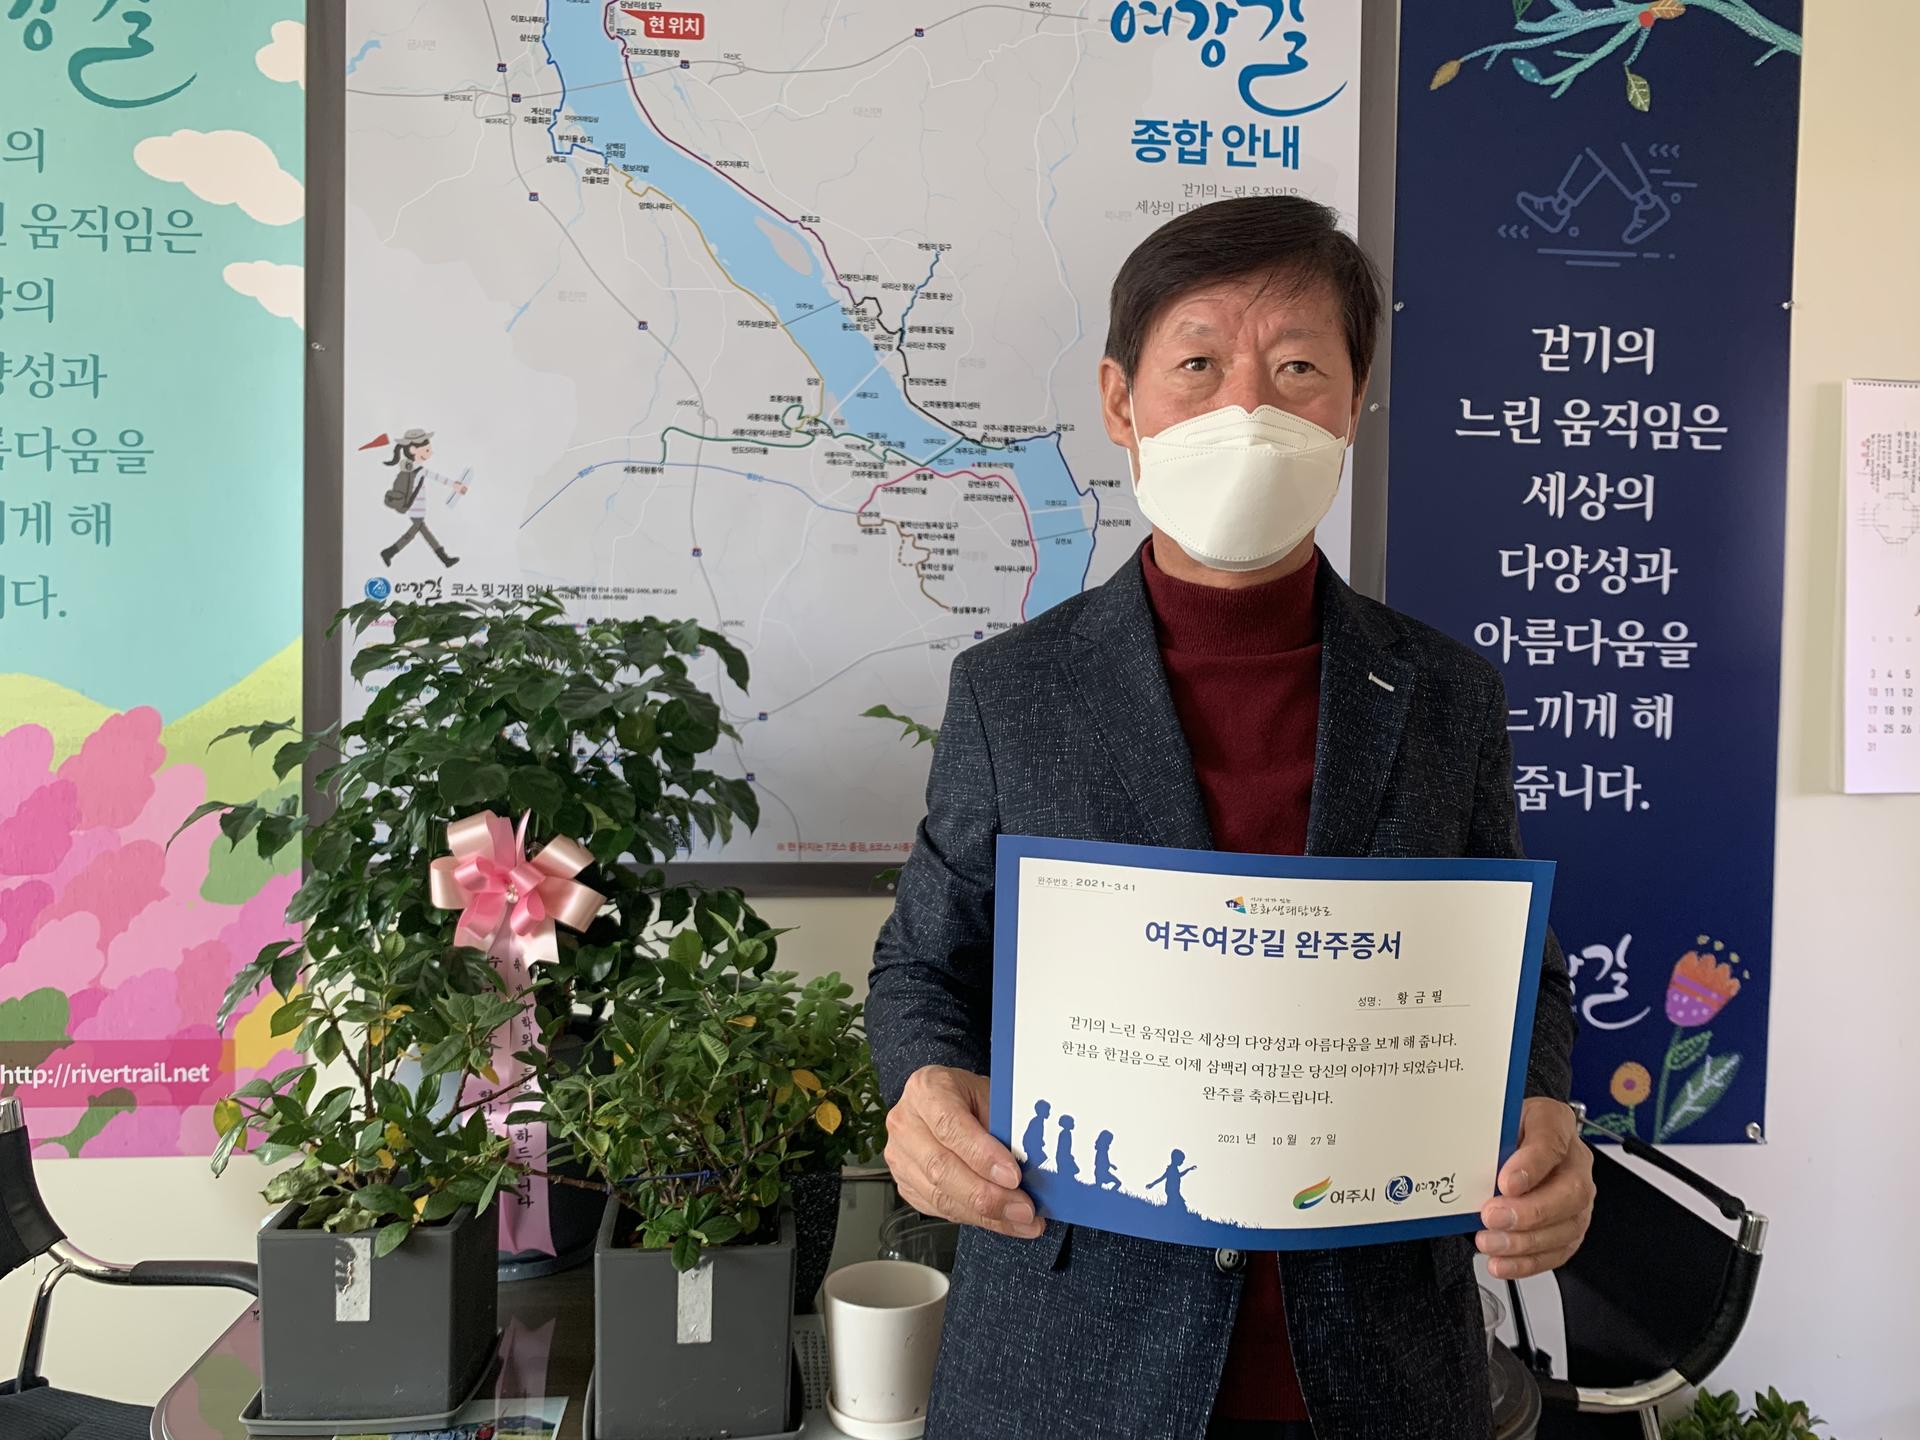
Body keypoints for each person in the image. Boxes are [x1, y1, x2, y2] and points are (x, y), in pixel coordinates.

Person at [867, 195, 1593, 1440]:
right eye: (1199, 364)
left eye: (1298, 368)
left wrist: (1542, 1111)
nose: (1247, 410)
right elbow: (924, 965)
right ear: (1121, 402)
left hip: (1375, 1365)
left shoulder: (1446, 694)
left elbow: (1517, 974)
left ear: (1354, 403)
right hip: (1074, 1355)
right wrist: (923, 1085)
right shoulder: (1014, 691)